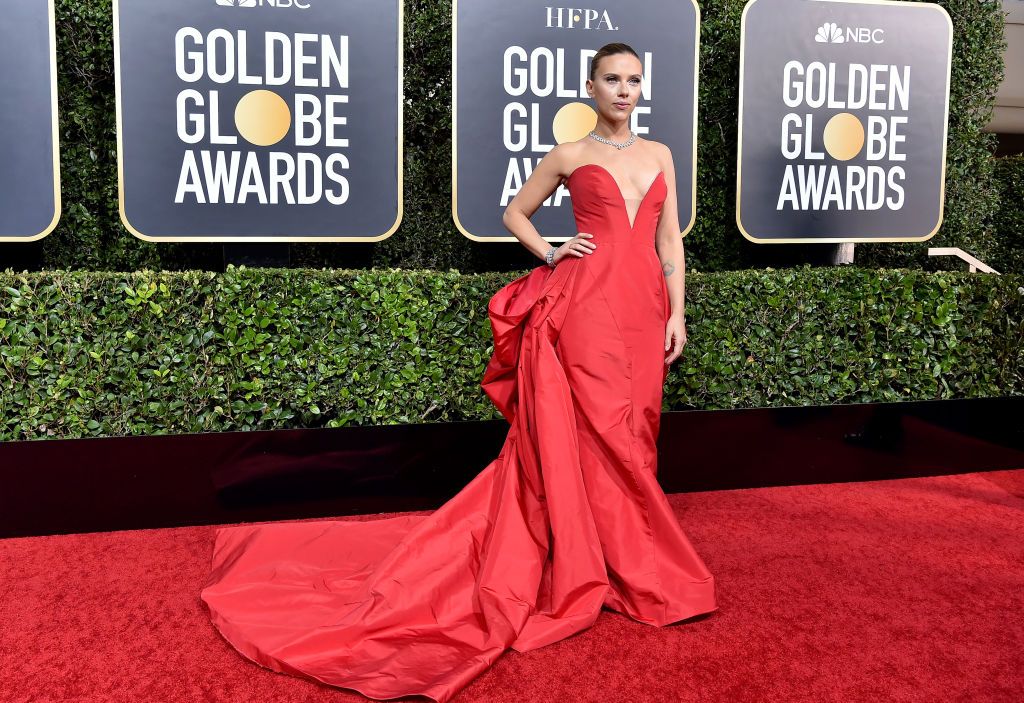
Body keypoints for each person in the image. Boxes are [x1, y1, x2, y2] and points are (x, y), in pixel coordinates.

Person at [200, 42, 717, 703]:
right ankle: (598, 561)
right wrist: (552, 252)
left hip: (644, 309)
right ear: (590, 87)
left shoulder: (662, 155)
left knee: (635, 430)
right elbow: (514, 213)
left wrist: (677, 311)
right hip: (586, 307)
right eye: (612, 79)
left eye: (634, 80)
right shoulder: (569, 154)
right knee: (595, 431)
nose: (624, 89)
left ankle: (619, 554)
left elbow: (669, 240)